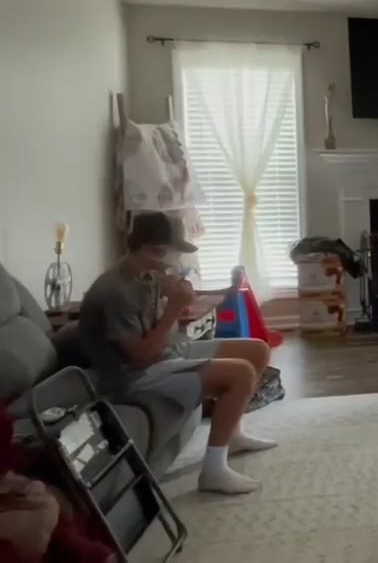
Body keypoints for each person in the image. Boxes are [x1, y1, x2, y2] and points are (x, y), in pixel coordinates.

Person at [78, 212, 277, 495]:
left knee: (256, 349)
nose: (177, 258)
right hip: (131, 375)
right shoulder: (114, 291)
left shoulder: (146, 275)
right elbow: (142, 357)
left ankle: (232, 436)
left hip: (163, 354)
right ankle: (213, 471)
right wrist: (174, 308)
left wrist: (191, 299)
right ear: (155, 250)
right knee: (241, 372)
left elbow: (160, 332)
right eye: (174, 251)